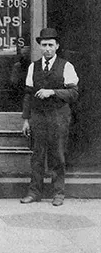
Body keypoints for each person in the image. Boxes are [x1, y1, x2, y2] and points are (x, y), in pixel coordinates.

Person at [20, 28, 79, 207]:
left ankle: (58, 193)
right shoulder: (33, 67)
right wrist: (26, 119)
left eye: (50, 45)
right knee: (37, 156)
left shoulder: (66, 66)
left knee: (57, 155)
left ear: (57, 46)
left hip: (58, 116)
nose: (47, 49)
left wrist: (52, 91)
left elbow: (73, 93)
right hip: (38, 117)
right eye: (44, 45)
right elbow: (28, 94)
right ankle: (34, 192)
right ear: (40, 46)